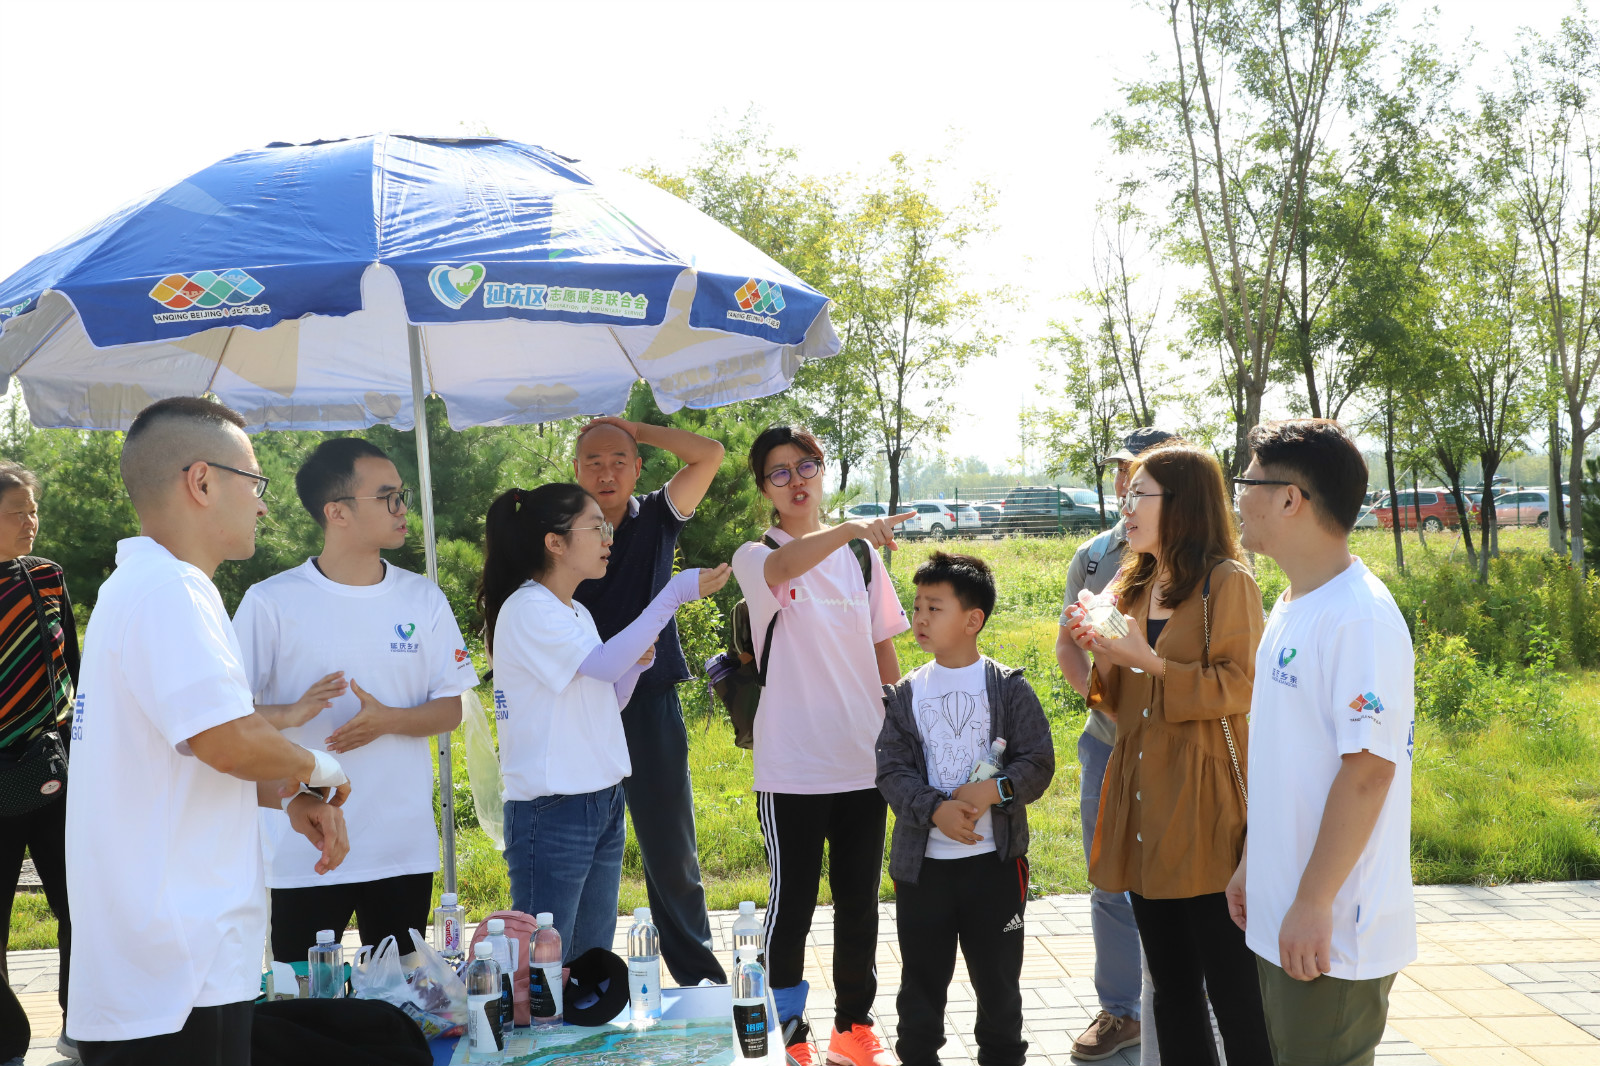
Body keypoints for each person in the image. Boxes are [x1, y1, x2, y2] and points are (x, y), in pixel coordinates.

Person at [64, 397, 351, 1065]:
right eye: (255, 482)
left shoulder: (138, 587)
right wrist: (321, 769)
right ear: (201, 481)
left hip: (157, 965)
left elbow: (181, 760)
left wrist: (287, 796)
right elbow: (227, 741)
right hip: (179, 968)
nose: (263, 506)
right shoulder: (172, 590)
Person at [1065, 442, 1271, 1065]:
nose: (1126, 507)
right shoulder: (1135, 580)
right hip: (1142, 794)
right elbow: (1119, 700)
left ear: (1182, 503)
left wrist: (1149, 661)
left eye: (1140, 495)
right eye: (1126, 494)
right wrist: (1102, 650)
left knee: (1233, 989)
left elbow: (1240, 685)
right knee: (1171, 987)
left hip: (1203, 799)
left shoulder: (1227, 582)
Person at [233, 438, 478, 962]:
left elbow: (450, 708)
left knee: (398, 995)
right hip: (305, 845)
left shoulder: (424, 599)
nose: (402, 508)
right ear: (337, 512)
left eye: (402, 495)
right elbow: (227, 717)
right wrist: (290, 713)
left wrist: (389, 720)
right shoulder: (270, 602)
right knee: (302, 993)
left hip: (401, 846)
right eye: (387, 497)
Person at [1227, 419, 1416, 1066]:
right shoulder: (1295, 603)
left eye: (1247, 481)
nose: (1237, 498)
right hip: (1287, 907)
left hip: (1332, 927)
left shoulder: (1359, 618)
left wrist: (1313, 901)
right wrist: (1254, 862)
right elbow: (1286, 757)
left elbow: (1368, 773)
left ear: (1290, 499)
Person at [479, 483, 728, 961]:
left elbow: (606, 696)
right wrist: (674, 594)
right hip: (553, 808)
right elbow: (604, 663)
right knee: (545, 967)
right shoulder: (528, 608)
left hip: (602, 799)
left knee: (590, 962)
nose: (608, 539)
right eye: (597, 528)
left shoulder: (575, 610)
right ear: (555, 542)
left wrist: (634, 667)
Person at [728, 425, 912, 1066]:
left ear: (821, 470)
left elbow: (883, 645)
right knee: (793, 903)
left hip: (864, 760)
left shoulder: (860, 558)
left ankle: (853, 1028)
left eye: (805, 465)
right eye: (779, 472)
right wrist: (854, 528)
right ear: (765, 489)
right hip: (794, 767)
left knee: (859, 903)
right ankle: (787, 1026)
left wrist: (900, 726)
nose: (796, 480)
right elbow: (785, 568)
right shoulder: (756, 555)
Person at [877, 552, 1056, 1066]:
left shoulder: (1008, 688)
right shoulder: (906, 694)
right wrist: (935, 809)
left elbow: (1039, 761)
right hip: (924, 872)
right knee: (920, 985)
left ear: (973, 620)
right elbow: (891, 771)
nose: (920, 618)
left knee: (999, 986)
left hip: (994, 870)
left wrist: (993, 791)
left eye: (934, 607)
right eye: (916, 607)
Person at [569, 415, 728, 984]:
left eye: (619, 461)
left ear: (638, 468)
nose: (607, 473)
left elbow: (710, 453)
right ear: (576, 470)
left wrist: (632, 426)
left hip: (649, 700)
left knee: (670, 850)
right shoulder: (560, 526)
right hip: (578, 702)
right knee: (578, 848)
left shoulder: (658, 515)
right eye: (594, 462)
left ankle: (700, 981)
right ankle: (575, 977)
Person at [1055, 427, 1172, 1062]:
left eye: (1141, 472)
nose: (1127, 482)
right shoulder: (1096, 556)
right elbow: (1068, 646)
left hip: (1177, 748)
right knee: (1109, 878)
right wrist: (1103, 701)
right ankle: (1121, 1011)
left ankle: (1186, 1003)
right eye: (1123, 470)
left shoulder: (1208, 565)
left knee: (1181, 877)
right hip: (1107, 744)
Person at [0, 461, 79, 1063]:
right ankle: (7, 1040)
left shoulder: (47, 576)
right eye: (16, 513)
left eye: (33, 510)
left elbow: (73, 663)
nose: (30, 522)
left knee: (80, 905)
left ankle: (81, 1023)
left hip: (57, 766)